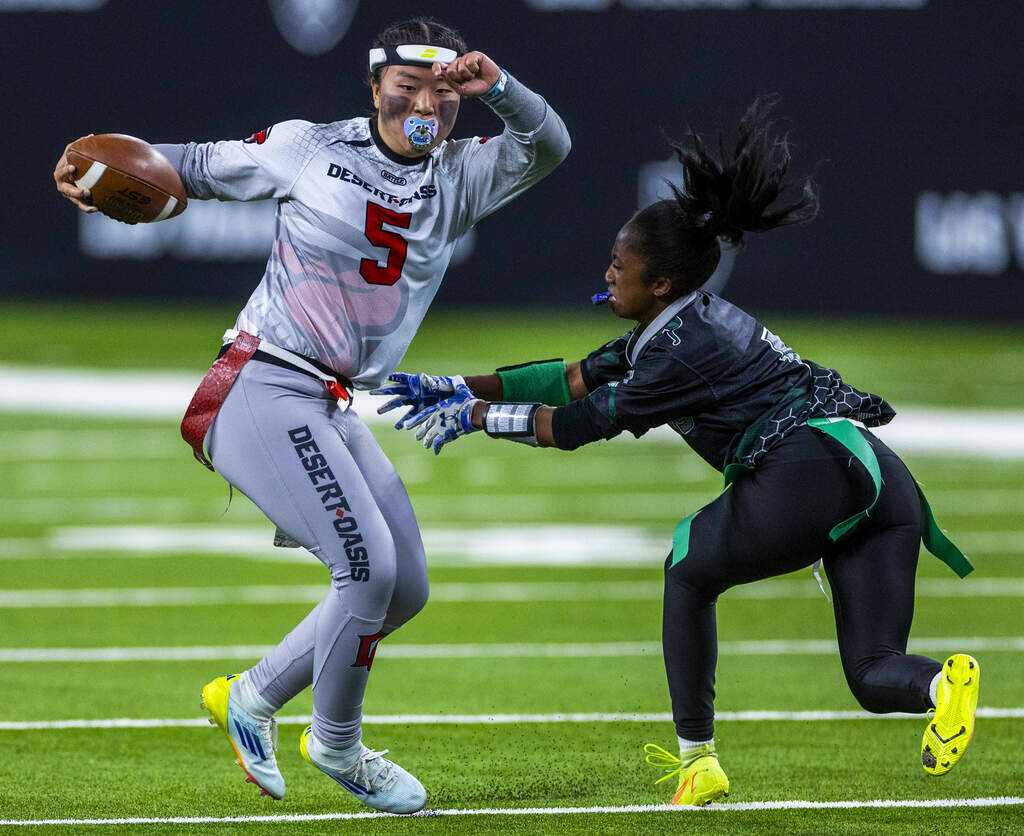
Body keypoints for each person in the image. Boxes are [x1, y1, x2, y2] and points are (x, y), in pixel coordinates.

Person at [377, 96, 979, 806]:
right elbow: (572, 378)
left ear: (659, 282)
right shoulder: (677, 326)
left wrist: (477, 417)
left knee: (688, 569)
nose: (607, 273)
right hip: (877, 476)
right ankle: (945, 683)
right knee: (876, 673)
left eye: (617, 264)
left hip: (808, 468)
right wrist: (456, 384)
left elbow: (576, 423)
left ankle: (698, 761)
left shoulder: (673, 351)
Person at [53, 16, 570, 814]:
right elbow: (188, 168)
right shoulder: (309, 146)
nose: (425, 104)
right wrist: (96, 169)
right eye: (407, 87)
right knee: (368, 571)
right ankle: (337, 743)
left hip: (328, 400)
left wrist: (500, 87)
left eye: (443, 90)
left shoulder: (463, 174)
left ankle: (252, 698)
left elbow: (551, 144)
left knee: (407, 589)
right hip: (264, 380)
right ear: (373, 88)